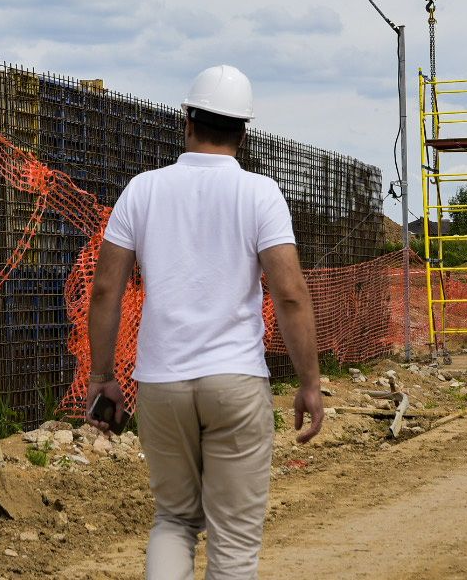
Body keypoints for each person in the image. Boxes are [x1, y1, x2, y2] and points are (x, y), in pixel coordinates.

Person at [85, 64, 323, 580]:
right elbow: (291, 294)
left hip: (162, 384)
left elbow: (105, 288)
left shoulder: (142, 191)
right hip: (235, 383)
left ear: (186, 119)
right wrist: (309, 382)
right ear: (244, 131)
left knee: (173, 519)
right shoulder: (261, 194)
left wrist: (102, 375)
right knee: (233, 542)